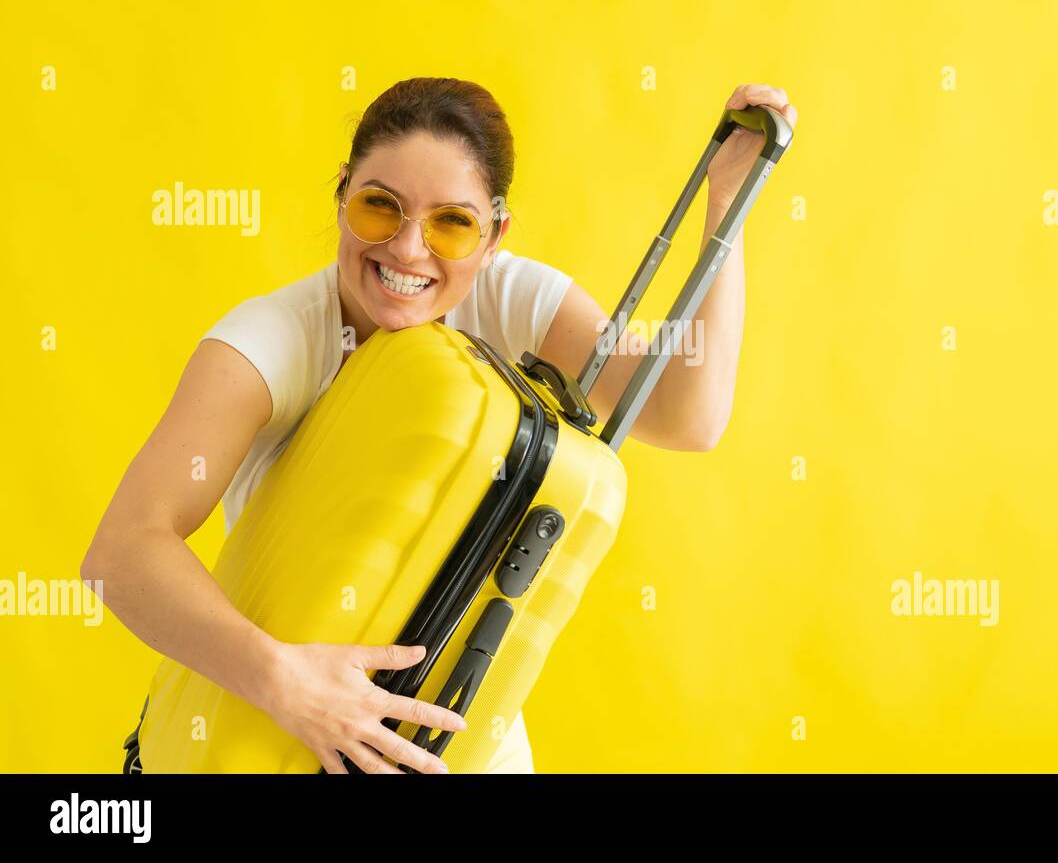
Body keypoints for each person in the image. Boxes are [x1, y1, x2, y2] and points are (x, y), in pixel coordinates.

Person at [83, 76, 797, 774]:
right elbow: (121, 552)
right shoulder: (269, 342)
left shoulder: (513, 297)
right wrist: (288, 683)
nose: (407, 250)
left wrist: (727, 203)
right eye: (379, 207)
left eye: (452, 223)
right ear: (341, 195)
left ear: (494, 236)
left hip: (457, 741)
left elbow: (685, 414)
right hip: (287, 735)